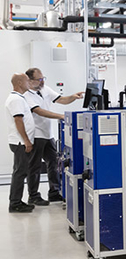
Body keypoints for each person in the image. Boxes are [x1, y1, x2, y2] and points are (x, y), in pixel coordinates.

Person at [24, 68, 83, 205]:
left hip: (47, 134)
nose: (42, 81)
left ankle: (54, 192)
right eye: (39, 79)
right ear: (30, 81)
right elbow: (39, 111)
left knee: (54, 163)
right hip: (36, 134)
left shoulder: (44, 89)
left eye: (43, 78)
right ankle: (33, 196)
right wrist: (61, 116)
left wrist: (73, 97)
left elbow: (61, 99)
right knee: (35, 166)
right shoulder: (26, 95)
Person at [6, 74, 36, 213]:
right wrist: (26, 140)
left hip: (20, 141)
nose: (29, 82)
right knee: (20, 172)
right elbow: (18, 120)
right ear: (19, 82)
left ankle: (16, 201)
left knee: (20, 171)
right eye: (27, 80)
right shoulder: (16, 99)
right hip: (20, 142)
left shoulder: (19, 98)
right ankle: (15, 203)